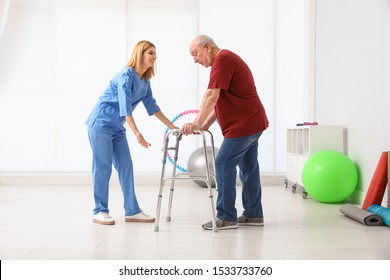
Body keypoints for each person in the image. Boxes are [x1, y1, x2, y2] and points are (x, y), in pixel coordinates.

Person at [182, 35, 269, 230]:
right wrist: (204, 124)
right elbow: (218, 103)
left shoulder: (222, 60)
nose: (195, 59)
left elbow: (211, 95)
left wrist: (196, 122)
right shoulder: (224, 61)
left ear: (208, 47)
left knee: (222, 164)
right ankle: (254, 214)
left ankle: (226, 217)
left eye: (195, 54)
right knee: (248, 168)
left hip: (244, 125)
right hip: (252, 123)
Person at [86, 40, 177, 225]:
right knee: (102, 167)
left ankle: (132, 210)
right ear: (140, 54)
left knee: (126, 166)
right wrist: (137, 133)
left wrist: (173, 127)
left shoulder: (145, 81)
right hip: (101, 123)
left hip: (117, 127)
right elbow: (125, 108)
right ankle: (100, 211)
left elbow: (153, 108)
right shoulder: (126, 75)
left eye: (155, 53)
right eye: (151, 52)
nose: (154, 56)